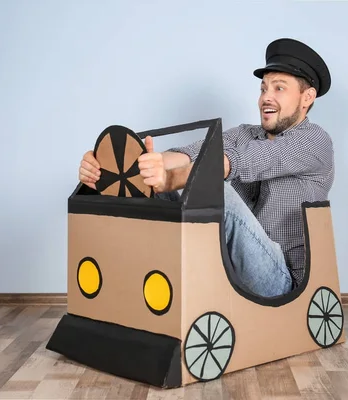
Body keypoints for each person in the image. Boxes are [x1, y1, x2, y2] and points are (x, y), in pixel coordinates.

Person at [79, 38, 334, 298]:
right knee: (152, 188)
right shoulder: (244, 133)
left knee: (217, 190)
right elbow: (189, 153)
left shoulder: (315, 141)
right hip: (230, 267)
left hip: (283, 281)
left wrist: (167, 180)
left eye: (279, 88)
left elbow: (239, 161)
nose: (266, 98)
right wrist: (114, 166)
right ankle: (146, 273)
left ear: (307, 97)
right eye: (263, 88)